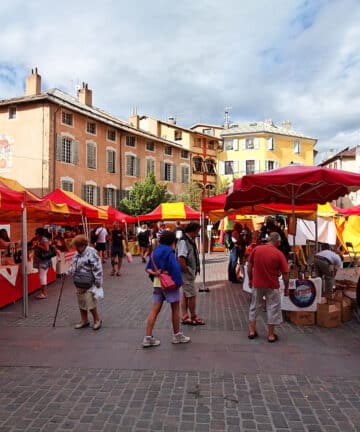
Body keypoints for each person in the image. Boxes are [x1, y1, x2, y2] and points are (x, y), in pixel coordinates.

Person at [143, 231, 190, 347]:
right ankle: (177, 335)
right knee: (175, 309)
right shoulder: (169, 251)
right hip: (169, 284)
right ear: (172, 241)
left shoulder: (155, 251)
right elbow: (174, 268)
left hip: (157, 283)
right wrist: (179, 282)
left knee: (155, 310)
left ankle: (148, 337)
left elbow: (148, 268)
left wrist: (156, 273)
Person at [247, 231, 289, 343]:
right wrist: (286, 288)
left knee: (254, 306)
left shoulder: (257, 249)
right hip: (272, 285)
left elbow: (249, 265)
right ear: (278, 242)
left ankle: (252, 331)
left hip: (257, 283)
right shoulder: (279, 254)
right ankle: (270, 335)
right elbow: (285, 274)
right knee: (273, 307)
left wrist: (250, 279)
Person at [67, 234, 103, 330]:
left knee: (89, 301)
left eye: (78, 247)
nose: (77, 249)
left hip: (89, 281)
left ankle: (97, 319)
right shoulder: (77, 253)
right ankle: (84, 320)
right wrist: (67, 272)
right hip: (79, 281)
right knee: (81, 301)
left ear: (83, 245)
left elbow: (97, 267)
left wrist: (98, 281)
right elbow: (73, 265)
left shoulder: (91, 252)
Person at [176, 222, 205, 326]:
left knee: (185, 294)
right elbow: (181, 257)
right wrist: (186, 270)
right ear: (193, 230)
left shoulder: (188, 240)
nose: (198, 233)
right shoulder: (184, 241)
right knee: (192, 295)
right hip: (186, 273)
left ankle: (184, 316)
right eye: (197, 230)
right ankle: (193, 317)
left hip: (187, 272)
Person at [32, 228, 58, 299]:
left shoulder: (43, 239)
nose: (35, 235)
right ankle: (43, 292)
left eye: (36, 233)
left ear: (39, 234)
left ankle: (44, 293)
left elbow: (47, 249)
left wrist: (38, 245)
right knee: (42, 276)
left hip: (44, 261)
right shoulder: (42, 239)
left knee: (42, 277)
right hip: (43, 261)